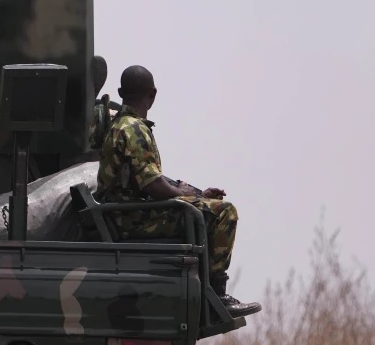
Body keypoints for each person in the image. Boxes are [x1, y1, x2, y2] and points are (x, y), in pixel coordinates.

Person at [95, 66, 260, 317]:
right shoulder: (133, 129)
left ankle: (209, 291)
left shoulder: (120, 125)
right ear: (153, 94)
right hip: (133, 220)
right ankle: (218, 295)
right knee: (224, 213)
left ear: (121, 93)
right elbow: (154, 186)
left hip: (126, 215)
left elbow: (154, 183)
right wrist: (187, 198)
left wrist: (198, 195)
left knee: (203, 208)